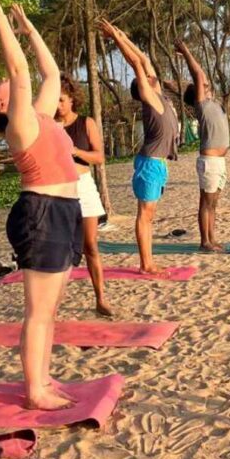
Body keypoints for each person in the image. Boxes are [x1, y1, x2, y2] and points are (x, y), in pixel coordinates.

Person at [0, 0, 82, 411]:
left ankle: (42, 378)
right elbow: (18, 69)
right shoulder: (18, 126)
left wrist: (28, 28)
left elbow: (49, 75)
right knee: (38, 309)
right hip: (42, 213)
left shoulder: (36, 115)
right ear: (0, 104)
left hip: (64, 210)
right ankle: (34, 390)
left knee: (49, 308)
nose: (4, 82)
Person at [98, 19, 178, 273]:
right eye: (148, 78)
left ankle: (148, 261)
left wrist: (122, 33)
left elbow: (142, 58)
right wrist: (116, 39)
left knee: (150, 215)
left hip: (159, 164)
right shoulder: (151, 99)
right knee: (145, 215)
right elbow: (136, 65)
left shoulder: (161, 97)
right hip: (150, 164)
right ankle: (146, 264)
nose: (152, 76)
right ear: (143, 88)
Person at [55, 76, 112, 315]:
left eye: (62, 100)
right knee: (60, 250)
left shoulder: (85, 123)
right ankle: (54, 303)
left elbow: (99, 157)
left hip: (84, 186)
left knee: (91, 246)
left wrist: (75, 150)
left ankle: (100, 298)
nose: (58, 105)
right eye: (55, 100)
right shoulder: (49, 124)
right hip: (60, 188)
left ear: (72, 100)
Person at [175, 38, 230, 251]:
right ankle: (204, 241)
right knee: (206, 202)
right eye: (203, 86)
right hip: (210, 161)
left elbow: (203, 77)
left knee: (213, 203)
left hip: (219, 161)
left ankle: (211, 239)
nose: (206, 84)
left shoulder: (212, 103)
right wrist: (186, 51)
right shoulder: (203, 105)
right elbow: (198, 75)